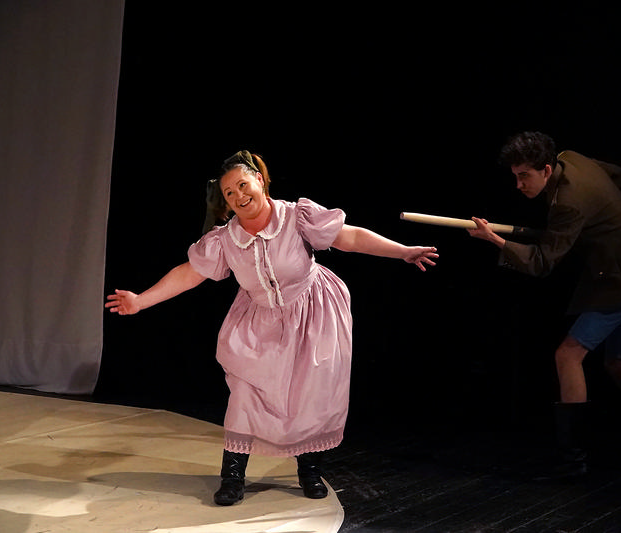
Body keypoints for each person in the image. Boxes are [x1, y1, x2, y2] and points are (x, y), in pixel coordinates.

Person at [106, 150, 438, 505]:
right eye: (229, 193)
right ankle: (232, 477)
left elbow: (350, 238)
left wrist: (403, 251)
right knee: (244, 396)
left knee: (310, 395)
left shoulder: (296, 217)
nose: (238, 196)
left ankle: (309, 470)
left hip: (313, 314)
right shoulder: (225, 239)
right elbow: (189, 274)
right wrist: (140, 300)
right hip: (258, 322)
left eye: (242, 185)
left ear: (260, 181)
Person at [467, 132, 621, 477]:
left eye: (524, 176)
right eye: (515, 176)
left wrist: (495, 240)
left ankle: (572, 461)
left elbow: (542, 263)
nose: (518, 185)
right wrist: (603, 220)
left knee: (568, 355)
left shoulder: (569, 203)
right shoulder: (571, 158)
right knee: (619, 362)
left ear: (546, 169)